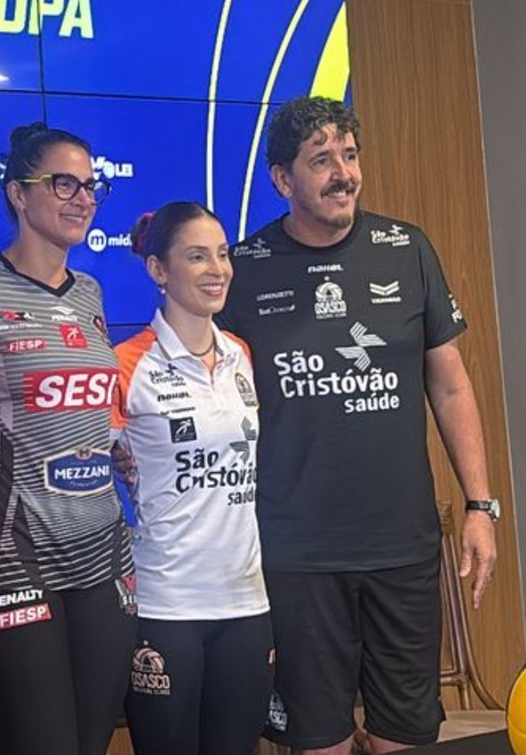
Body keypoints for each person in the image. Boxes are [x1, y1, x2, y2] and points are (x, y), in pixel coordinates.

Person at [217, 96, 499, 755]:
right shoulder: (243, 269)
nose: (343, 173)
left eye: (349, 155)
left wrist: (480, 506)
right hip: (295, 551)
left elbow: (451, 384)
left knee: (406, 735)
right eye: (321, 160)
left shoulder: (407, 249)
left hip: (400, 543)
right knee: (321, 740)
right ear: (282, 179)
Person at [0, 123, 136, 755]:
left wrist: (116, 449)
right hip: (8, 557)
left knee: (91, 744)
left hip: (103, 554)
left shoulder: (91, 293)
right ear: (18, 192)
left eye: (91, 185)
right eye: (64, 183)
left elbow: (81, 409)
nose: (83, 198)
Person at [112, 201, 274, 755]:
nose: (217, 270)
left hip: (246, 602)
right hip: (166, 605)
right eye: (197, 256)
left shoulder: (241, 354)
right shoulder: (127, 363)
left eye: (222, 255)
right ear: (158, 269)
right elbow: (80, 459)